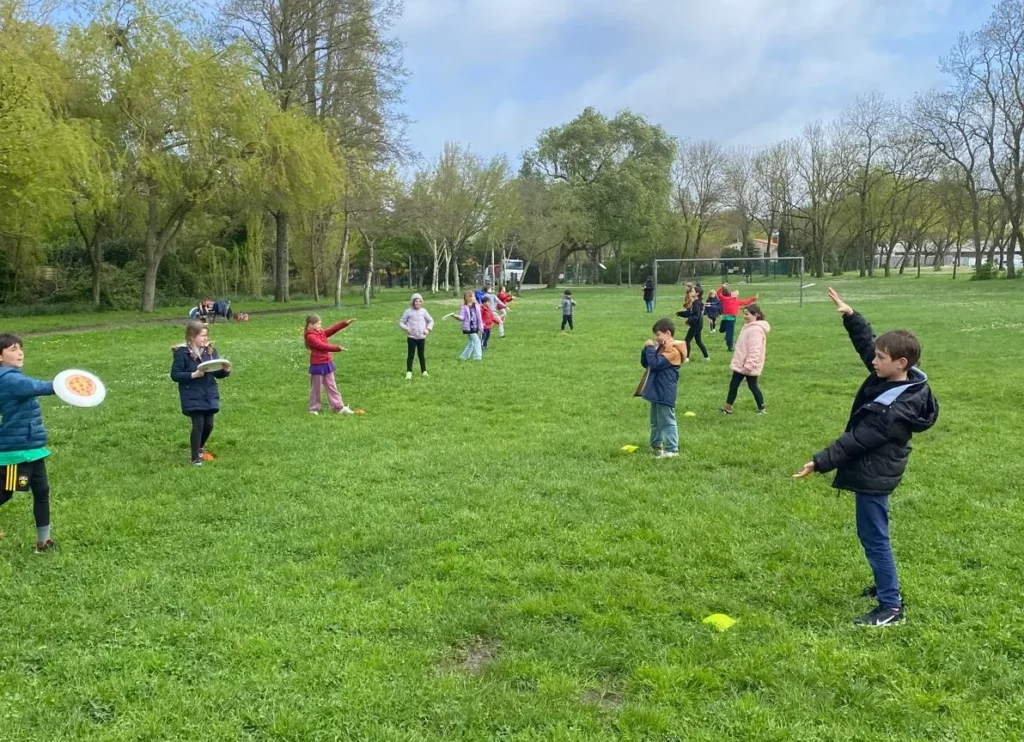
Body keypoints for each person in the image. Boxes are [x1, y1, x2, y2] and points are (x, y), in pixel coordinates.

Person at [794, 288, 938, 627]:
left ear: (900, 363)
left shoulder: (894, 409)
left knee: (874, 537)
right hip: (877, 469)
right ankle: (884, 584)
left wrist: (820, 461)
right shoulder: (902, 379)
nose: (874, 360)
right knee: (875, 533)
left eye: (880, 357)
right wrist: (851, 316)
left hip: (875, 473)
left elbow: (857, 440)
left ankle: (891, 606)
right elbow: (867, 346)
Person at [0, 334, 58, 552]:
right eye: (13, 349)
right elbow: (37, 386)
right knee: (6, 492)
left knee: (42, 491)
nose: (20, 352)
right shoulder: (9, 379)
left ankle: (44, 542)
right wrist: (64, 384)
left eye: (21, 348)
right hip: (16, 452)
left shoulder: (11, 377)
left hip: (32, 448)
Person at [170, 321, 232, 466]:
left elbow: (216, 373)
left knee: (209, 424)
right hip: (191, 393)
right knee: (198, 423)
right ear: (192, 337)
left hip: (208, 392)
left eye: (206, 335)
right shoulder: (182, 353)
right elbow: (175, 375)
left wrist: (225, 370)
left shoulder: (210, 351)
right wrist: (193, 375)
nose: (205, 338)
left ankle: (199, 448)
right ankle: (195, 458)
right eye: (202, 335)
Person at [639, 318, 687, 458]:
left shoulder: (674, 350)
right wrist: (646, 351)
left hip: (665, 389)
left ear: (668, 333)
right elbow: (647, 363)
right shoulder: (662, 347)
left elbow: (656, 364)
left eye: (658, 334)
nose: (656, 338)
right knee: (655, 420)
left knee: (667, 420)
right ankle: (656, 445)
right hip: (656, 388)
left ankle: (672, 449)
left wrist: (649, 348)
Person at [721, 304, 769, 415]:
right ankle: (727, 409)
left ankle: (762, 409)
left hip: (748, 365)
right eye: (744, 313)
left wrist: (749, 366)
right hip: (741, 364)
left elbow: (755, 350)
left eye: (747, 314)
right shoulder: (747, 326)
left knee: (753, 386)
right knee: (733, 385)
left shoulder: (756, 330)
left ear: (756, 315)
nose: (744, 316)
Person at [303, 314, 355, 415]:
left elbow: (331, 330)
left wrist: (344, 324)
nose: (320, 326)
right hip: (317, 365)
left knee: (332, 386)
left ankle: (338, 407)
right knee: (316, 388)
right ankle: (314, 408)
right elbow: (321, 346)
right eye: (318, 324)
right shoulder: (310, 336)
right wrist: (337, 348)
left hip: (327, 364)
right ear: (310, 325)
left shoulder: (320, 332)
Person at [399, 293, 433, 379]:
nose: (418, 303)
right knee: (411, 355)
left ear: (421, 302)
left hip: (421, 337)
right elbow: (401, 322)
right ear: (412, 302)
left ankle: (424, 371)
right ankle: (409, 372)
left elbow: (431, 320)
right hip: (412, 337)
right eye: (416, 301)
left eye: (419, 301)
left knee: (421, 354)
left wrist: (428, 329)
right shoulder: (408, 312)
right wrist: (406, 328)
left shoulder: (424, 311)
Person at [717, 283, 758, 352]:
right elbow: (718, 294)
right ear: (731, 294)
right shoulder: (726, 299)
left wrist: (753, 299)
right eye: (734, 292)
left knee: (729, 334)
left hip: (731, 319)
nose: (736, 294)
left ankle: (730, 347)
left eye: (737, 293)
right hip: (725, 318)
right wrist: (722, 287)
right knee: (721, 330)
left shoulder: (737, 301)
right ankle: (727, 337)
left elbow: (745, 302)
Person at [676, 287, 710, 362]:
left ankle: (686, 358)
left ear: (697, 293)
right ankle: (706, 357)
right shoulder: (696, 302)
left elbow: (696, 316)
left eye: (693, 291)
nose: (691, 292)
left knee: (687, 341)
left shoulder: (696, 303)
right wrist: (682, 313)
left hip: (696, 325)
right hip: (698, 324)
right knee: (698, 341)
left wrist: (689, 320)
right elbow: (691, 313)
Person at [457, 291, 484, 361]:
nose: (474, 297)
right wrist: (456, 316)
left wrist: (481, 327)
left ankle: (463, 357)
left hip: (475, 326)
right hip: (468, 327)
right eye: (473, 296)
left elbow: (479, 317)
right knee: (477, 341)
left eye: (474, 296)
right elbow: (462, 317)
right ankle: (477, 357)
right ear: (468, 298)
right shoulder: (464, 307)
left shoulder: (477, 306)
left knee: (472, 342)